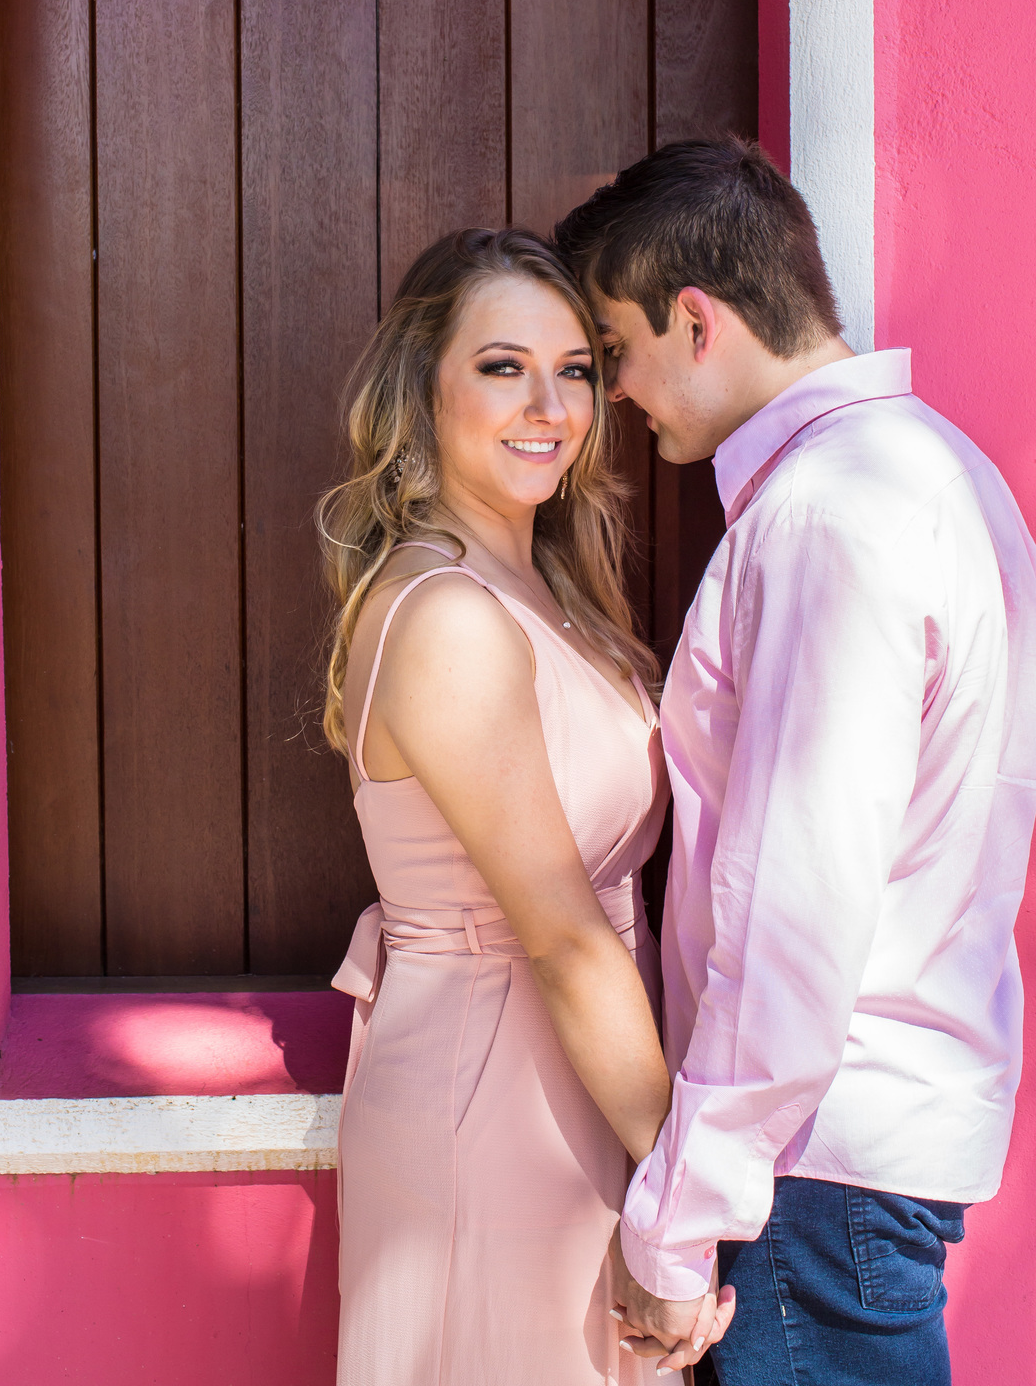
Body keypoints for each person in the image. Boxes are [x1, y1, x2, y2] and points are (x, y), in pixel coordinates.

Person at [555, 136, 1036, 1386]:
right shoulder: (943, 473)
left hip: (805, 1186)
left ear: (697, 320)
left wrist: (677, 1221)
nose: (613, 394)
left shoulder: (829, 514)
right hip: (848, 1171)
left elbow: (793, 913)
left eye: (615, 352)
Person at [319, 228, 735, 1386]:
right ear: (424, 388)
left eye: (576, 369)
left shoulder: (547, 585)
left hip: (580, 1092)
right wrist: (681, 1193)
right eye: (503, 366)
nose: (548, 403)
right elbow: (559, 935)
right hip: (491, 1111)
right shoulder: (449, 616)